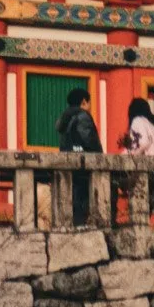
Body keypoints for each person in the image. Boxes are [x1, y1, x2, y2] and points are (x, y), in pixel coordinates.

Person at [56, 85, 102, 228]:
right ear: (84, 102)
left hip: (69, 166)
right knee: (85, 202)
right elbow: (90, 141)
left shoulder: (65, 118)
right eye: (89, 103)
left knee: (72, 202)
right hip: (84, 167)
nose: (89, 107)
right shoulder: (83, 117)